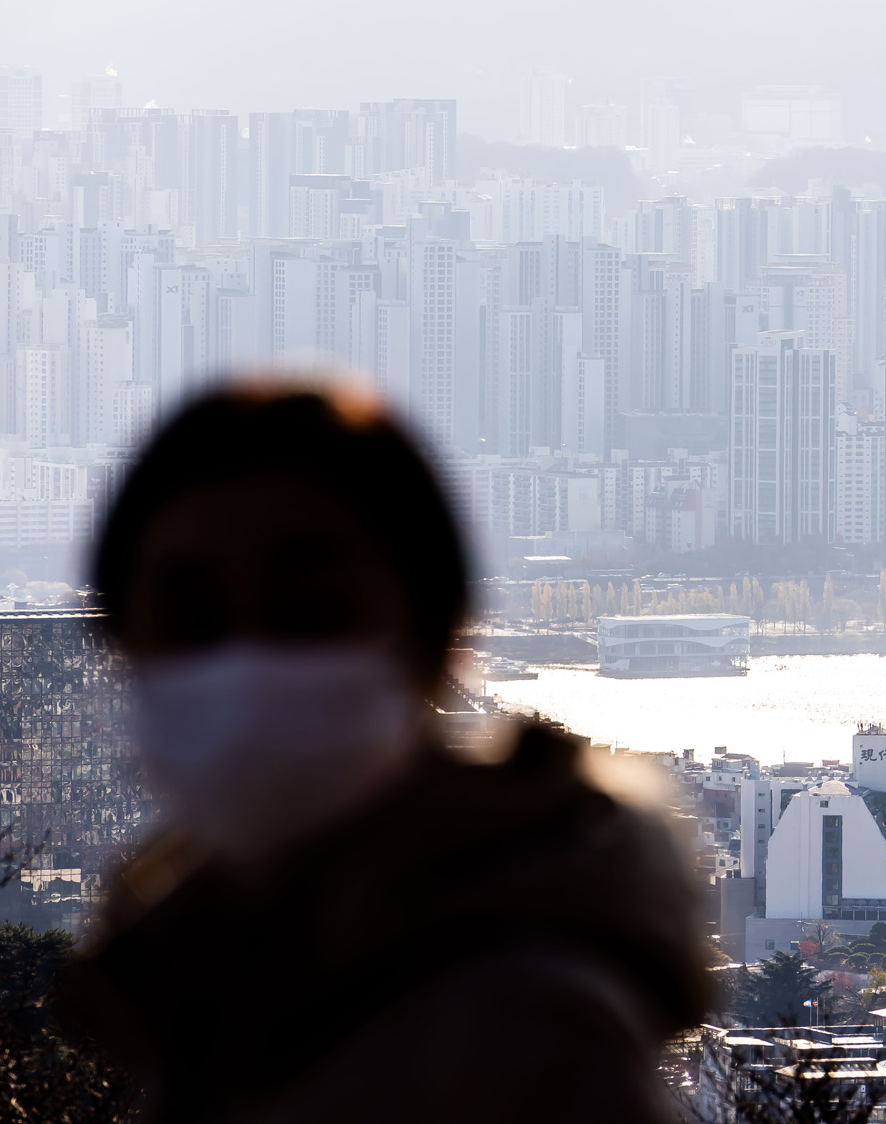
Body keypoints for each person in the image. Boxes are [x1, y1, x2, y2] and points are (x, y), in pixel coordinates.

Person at [63, 380, 708, 1122]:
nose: (247, 661)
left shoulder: (520, 1029)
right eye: (189, 616)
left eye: (312, 612)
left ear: (437, 634)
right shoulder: (213, 979)